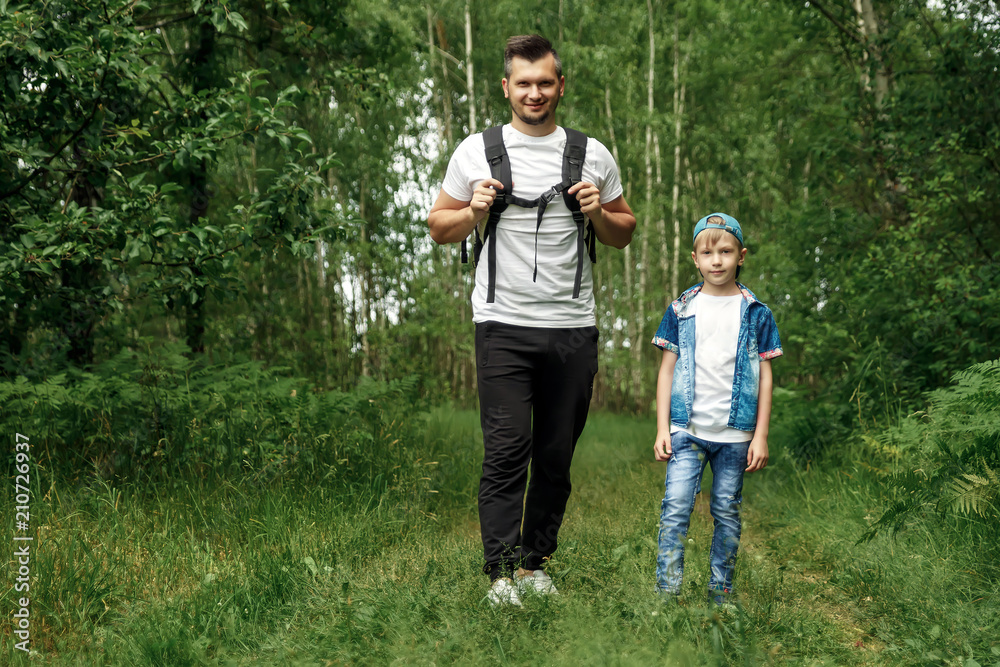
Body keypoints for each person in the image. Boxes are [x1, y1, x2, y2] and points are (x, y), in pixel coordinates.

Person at [427, 34, 635, 606]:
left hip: (572, 328)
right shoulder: (476, 151)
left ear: (560, 85)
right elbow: (438, 226)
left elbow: (623, 231)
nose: (535, 93)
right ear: (506, 87)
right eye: (524, 83)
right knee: (506, 449)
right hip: (502, 325)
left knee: (555, 453)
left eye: (545, 82)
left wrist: (599, 210)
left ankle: (533, 565)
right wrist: (473, 210)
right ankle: (498, 574)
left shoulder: (592, 153)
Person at [650, 213, 781, 606]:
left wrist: (760, 435)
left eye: (725, 252)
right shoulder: (681, 309)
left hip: (736, 436)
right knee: (675, 508)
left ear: (741, 256)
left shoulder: (756, 313)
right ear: (695, 258)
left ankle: (720, 593)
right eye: (708, 253)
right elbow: (666, 372)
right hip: (687, 430)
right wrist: (662, 429)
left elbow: (766, 377)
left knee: (726, 511)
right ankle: (666, 593)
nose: (717, 261)